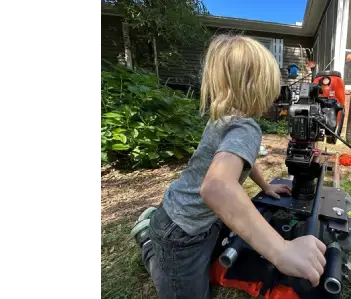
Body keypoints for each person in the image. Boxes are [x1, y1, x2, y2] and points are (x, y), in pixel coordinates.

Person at [128, 34, 327, 299]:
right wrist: (281, 250)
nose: (276, 89)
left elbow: (245, 159)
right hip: (181, 232)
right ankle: (148, 243)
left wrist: (266, 186)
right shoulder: (245, 127)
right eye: (272, 82)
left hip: (201, 222)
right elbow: (216, 188)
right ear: (255, 85)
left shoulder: (226, 117)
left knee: (210, 266)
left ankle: (154, 237)